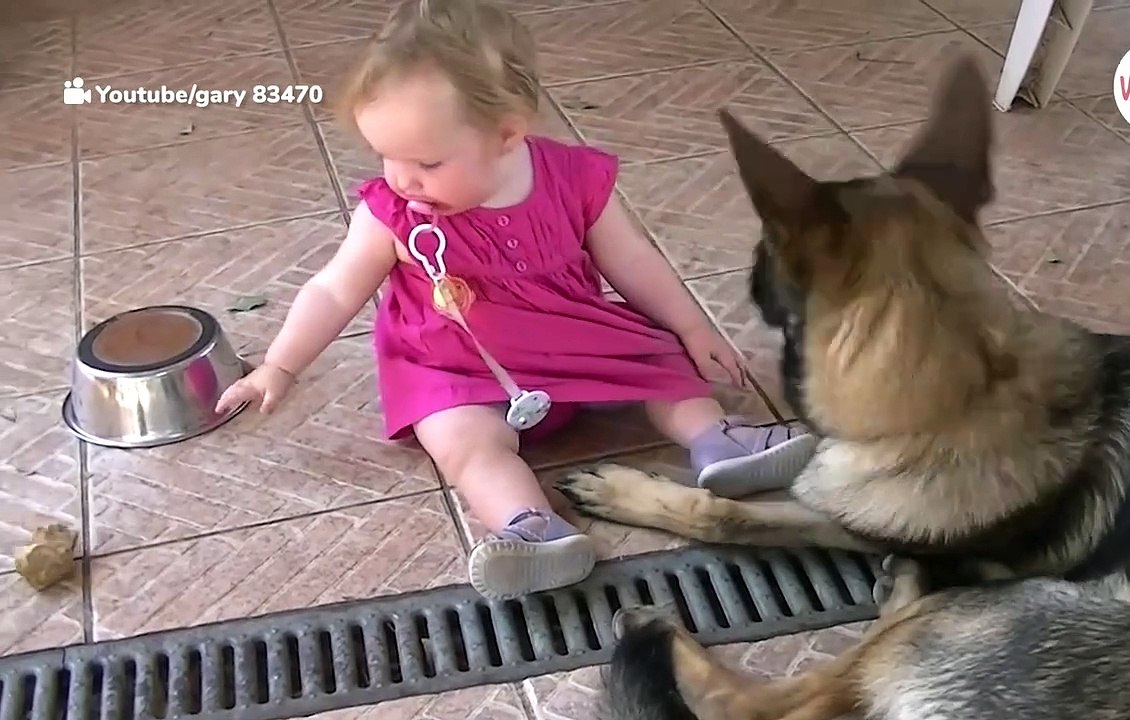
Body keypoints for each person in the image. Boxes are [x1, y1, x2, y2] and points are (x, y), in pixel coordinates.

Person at [215, 0, 816, 601]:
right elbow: (334, 286)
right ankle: (532, 528)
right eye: (386, 156)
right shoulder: (391, 213)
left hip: (576, 338)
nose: (403, 179)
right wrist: (280, 364)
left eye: (426, 161)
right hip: (453, 366)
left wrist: (692, 328)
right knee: (462, 442)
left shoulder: (572, 179)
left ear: (507, 134)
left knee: (659, 358)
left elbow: (633, 262)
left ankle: (714, 439)